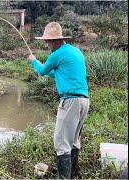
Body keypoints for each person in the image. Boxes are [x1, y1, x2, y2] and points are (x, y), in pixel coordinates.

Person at [26, 22, 89, 179]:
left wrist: (33, 60)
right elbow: (58, 74)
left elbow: (41, 71)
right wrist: (45, 68)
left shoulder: (57, 54)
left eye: (47, 41)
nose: (47, 45)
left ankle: (63, 178)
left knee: (61, 143)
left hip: (70, 102)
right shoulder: (76, 52)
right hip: (84, 102)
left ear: (54, 41)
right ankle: (72, 174)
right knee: (74, 140)